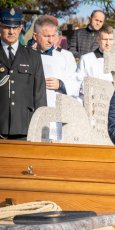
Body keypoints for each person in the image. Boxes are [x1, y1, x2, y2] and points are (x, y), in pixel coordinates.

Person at [0, 8, 46, 140]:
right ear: (0, 27)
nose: (11, 31)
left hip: (24, 126)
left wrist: (40, 126)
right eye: (7, 27)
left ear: (20, 28)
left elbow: (39, 94)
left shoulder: (33, 57)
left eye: (15, 27)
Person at [33, 15, 78, 107]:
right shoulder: (26, 54)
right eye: (46, 36)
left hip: (56, 107)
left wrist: (61, 84)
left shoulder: (66, 56)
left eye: (53, 36)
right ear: (35, 36)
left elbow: (76, 82)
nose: (50, 40)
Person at [76, 25, 115, 100]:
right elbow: (79, 82)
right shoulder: (86, 59)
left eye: (111, 39)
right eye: (105, 39)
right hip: (93, 101)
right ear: (98, 39)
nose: (108, 43)